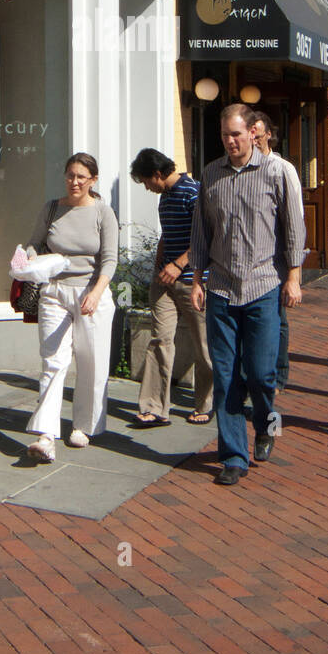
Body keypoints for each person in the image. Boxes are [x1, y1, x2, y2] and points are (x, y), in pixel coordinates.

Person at [189, 104, 305, 486]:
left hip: (263, 285)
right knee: (225, 376)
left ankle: (267, 424)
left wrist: (294, 277)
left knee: (260, 372)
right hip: (221, 287)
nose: (230, 141)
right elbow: (201, 233)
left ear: (252, 133)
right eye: (225, 135)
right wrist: (196, 280)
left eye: (236, 134)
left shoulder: (276, 172)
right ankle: (233, 457)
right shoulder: (211, 174)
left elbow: (292, 229)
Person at [25, 153, 119, 463]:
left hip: (93, 294)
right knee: (53, 361)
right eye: (70, 175)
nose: (74, 181)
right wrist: (27, 260)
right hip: (54, 292)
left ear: (93, 180)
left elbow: (109, 259)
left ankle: (84, 425)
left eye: (81, 177)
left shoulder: (103, 213)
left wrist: (96, 292)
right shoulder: (52, 208)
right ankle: (45, 435)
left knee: (91, 363)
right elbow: (35, 243)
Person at [128, 148, 213, 427]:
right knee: (159, 340)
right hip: (164, 281)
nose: (146, 188)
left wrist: (178, 265)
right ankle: (154, 407)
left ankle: (206, 403)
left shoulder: (194, 191)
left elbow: (206, 235)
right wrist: (157, 267)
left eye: (145, 181)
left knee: (204, 345)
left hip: (194, 282)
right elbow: (167, 232)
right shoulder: (165, 197)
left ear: (157, 174)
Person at [252, 112, 305, 393]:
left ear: (268, 135)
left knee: (277, 318)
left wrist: (293, 271)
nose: (254, 142)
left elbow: (295, 217)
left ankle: (277, 374)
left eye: (258, 136)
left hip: (277, 260)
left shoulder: (282, 169)